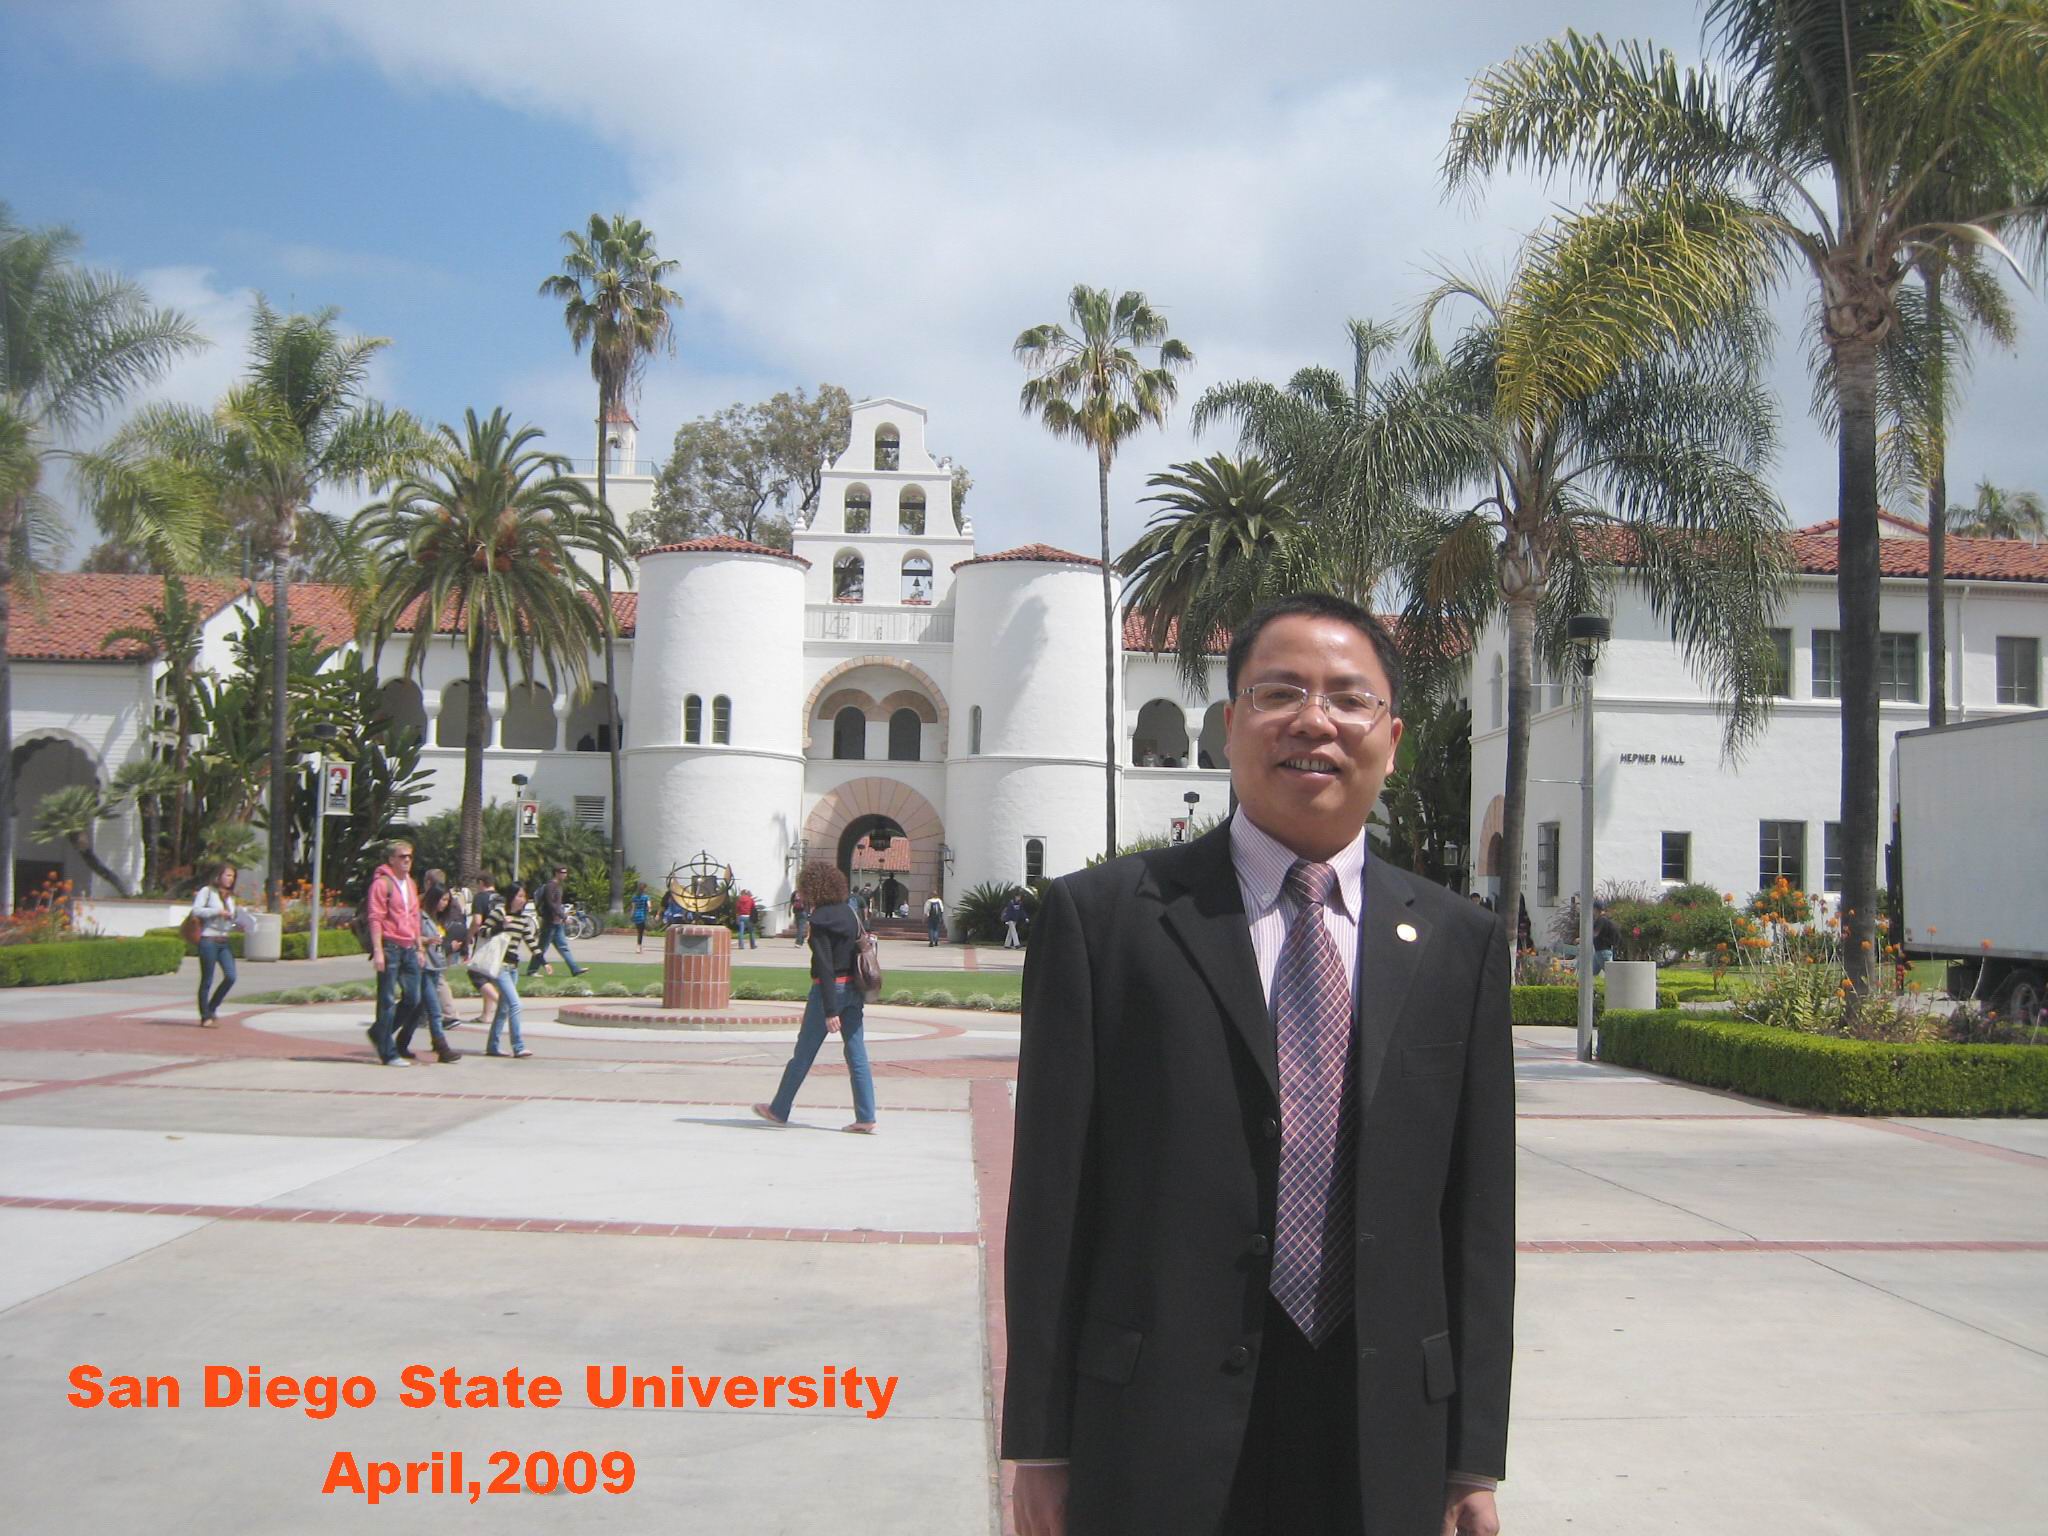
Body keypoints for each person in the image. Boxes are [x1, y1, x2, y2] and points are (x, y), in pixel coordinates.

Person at [1004, 593, 1513, 1536]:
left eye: (1349, 699)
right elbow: (1050, 1202)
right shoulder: (1105, 923)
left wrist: (1474, 1454)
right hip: (1153, 1423)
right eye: (1280, 693)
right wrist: (1039, 1443)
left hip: (1382, 1428)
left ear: (1391, 738)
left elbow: (1478, 1218)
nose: (1315, 721)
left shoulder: (1459, 943)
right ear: (1232, 722)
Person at [752, 865, 876, 1134]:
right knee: (856, 1054)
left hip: (828, 991)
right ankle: (866, 1116)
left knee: (803, 1054)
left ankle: (779, 1109)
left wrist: (830, 1011)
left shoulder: (819, 920)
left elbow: (825, 966)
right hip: (854, 988)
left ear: (812, 888)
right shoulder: (850, 913)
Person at [366, 840, 423, 1068]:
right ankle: (388, 1053)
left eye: (410, 856)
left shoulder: (410, 883)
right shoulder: (382, 884)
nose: (407, 860)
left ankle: (379, 1032)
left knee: (413, 998)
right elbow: (375, 917)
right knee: (387, 1000)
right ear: (391, 859)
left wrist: (419, 947)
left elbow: (415, 916)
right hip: (390, 946)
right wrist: (378, 951)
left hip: (409, 947)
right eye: (402, 856)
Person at [394, 883, 462, 1064]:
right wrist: (426, 940)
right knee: (434, 1010)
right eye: (442, 899)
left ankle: (400, 1042)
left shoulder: (437, 919)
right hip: (423, 967)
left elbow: (439, 942)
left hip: (435, 967)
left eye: (447, 900)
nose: (444, 904)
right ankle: (441, 1047)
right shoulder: (419, 916)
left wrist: (448, 946)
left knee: (417, 1010)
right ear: (433, 899)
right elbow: (410, 936)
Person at [480, 880, 542, 1058]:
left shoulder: (522, 919)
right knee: (515, 1004)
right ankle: (518, 1046)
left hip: (513, 968)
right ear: (511, 897)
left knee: (504, 1008)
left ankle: (492, 1046)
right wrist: (501, 926)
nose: (523, 900)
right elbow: (482, 931)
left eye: (524, 896)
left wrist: (543, 961)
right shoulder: (499, 913)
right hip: (500, 966)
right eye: (519, 896)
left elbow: (530, 941)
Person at [189, 863, 255, 1026]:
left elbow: (229, 919)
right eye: (227, 875)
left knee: (231, 976)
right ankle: (205, 1016)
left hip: (223, 940)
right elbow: (196, 910)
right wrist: (217, 911)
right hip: (209, 939)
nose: (230, 879)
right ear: (218, 876)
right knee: (207, 979)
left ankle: (212, 1007)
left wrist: (238, 924)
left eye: (233, 876)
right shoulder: (207, 892)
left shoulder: (229, 897)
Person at [527, 865, 587, 977]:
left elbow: (557, 905)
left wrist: (561, 917)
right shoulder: (550, 886)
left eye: (565, 872)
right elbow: (551, 904)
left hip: (557, 922)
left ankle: (575, 969)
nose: (564, 875)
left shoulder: (559, 886)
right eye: (562, 872)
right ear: (556, 873)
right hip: (550, 922)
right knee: (542, 948)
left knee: (563, 947)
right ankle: (532, 970)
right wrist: (564, 917)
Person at [1591, 900, 1619, 977]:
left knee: (1611, 975)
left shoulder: (1601, 920)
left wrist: (1581, 939)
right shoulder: (1604, 919)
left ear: (1596, 909)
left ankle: (1619, 984)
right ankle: (1588, 985)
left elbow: (1595, 934)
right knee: (1591, 973)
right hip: (1599, 952)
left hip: (1602, 952)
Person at [630, 882, 651, 952]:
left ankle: (639, 946)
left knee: (639, 932)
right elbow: (649, 906)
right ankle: (639, 946)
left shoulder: (634, 897)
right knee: (641, 932)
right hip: (643, 916)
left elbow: (633, 908)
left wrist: (631, 916)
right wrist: (649, 910)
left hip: (636, 916)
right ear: (644, 889)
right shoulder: (646, 897)